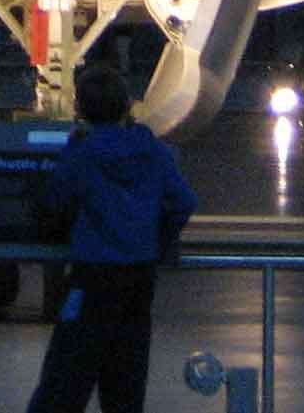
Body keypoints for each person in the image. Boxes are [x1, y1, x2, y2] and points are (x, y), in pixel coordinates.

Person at [25, 63, 198, 413]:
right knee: (126, 382)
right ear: (127, 106)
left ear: (81, 110)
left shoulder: (83, 154)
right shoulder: (153, 151)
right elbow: (183, 201)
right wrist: (158, 240)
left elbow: (55, 200)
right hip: (139, 277)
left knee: (64, 380)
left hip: (92, 276)